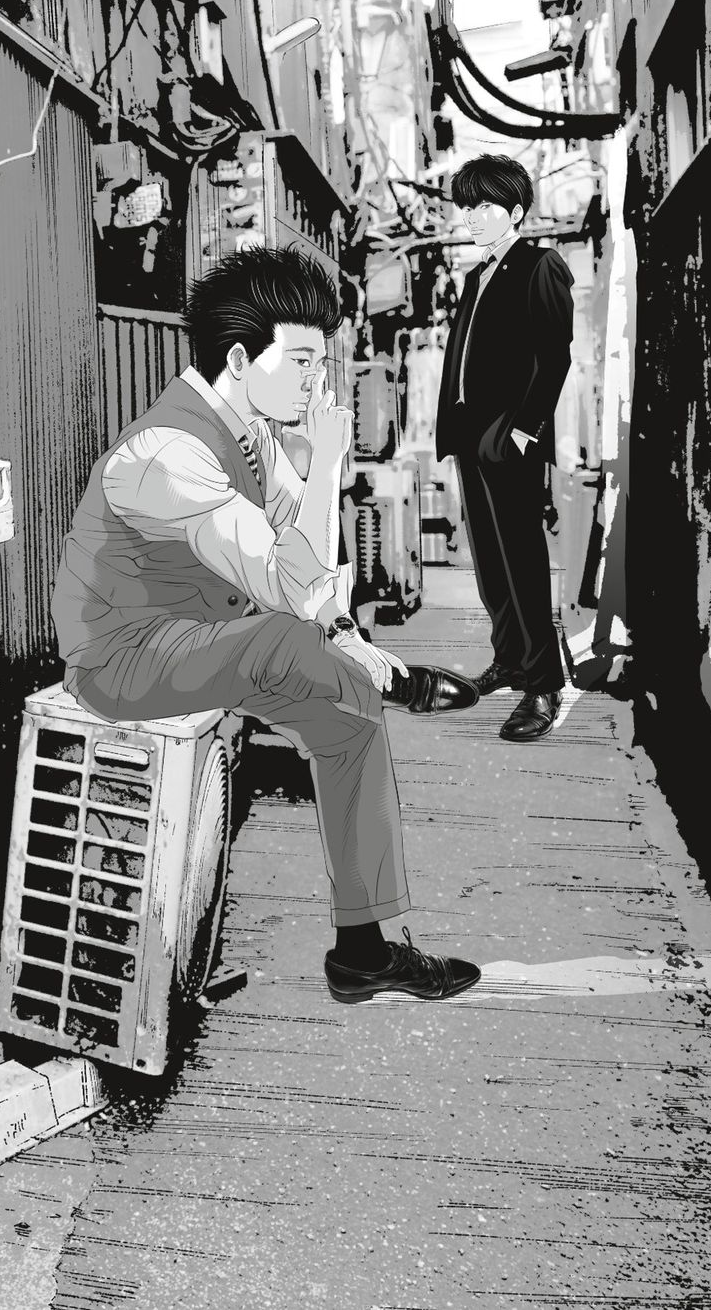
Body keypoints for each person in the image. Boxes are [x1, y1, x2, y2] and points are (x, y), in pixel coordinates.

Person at [52, 246, 481, 1005]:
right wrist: (326, 466)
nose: (317, 381)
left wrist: (347, 636)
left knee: (350, 715)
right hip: (123, 659)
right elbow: (280, 579)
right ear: (240, 358)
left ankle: (363, 950)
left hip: (206, 641)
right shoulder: (166, 452)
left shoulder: (252, 435)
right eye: (304, 362)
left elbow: (309, 564)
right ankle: (394, 683)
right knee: (292, 643)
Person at [436, 154, 575, 741]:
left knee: (522, 561)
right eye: (467, 206)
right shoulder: (476, 276)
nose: (472, 216)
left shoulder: (540, 265)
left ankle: (543, 684)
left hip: (509, 438)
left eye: (484, 206)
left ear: (515, 212)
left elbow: (555, 355)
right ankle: (511, 660)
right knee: (491, 563)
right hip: (471, 436)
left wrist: (522, 431)